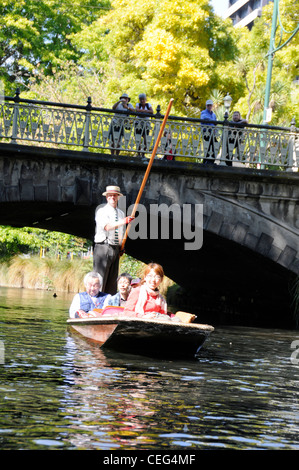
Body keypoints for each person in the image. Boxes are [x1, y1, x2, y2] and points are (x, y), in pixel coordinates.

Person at [93, 185, 134, 295]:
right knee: (100, 279)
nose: (112, 197)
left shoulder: (120, 213)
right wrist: (124, 221)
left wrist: (121, 246)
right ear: (106, 197)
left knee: (112, 281)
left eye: (114, 195)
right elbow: (107, 227)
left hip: (115, 249)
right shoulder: (102, 211)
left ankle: (108, 304)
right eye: (110, 195)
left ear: (118, 197)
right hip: (103, 248)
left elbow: (120, 231)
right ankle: (96, 302)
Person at [135, 93, 153, 157]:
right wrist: (146, 111)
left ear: (145, 99)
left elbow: (152, 111)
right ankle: (139, 153)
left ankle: (143, 154)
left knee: (146, 139)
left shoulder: (148, 105)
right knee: (138, 139)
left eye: (143, 99)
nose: (142, 101)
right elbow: (137, 110)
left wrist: (142, 111)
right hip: (138, 123)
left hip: (146, 124)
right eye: (141, 99)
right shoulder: (138, 104)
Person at [200, 99, 217, 164]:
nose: (209, 107)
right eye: (208, 105)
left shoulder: (213, 115)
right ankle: (207, 161)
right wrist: (213, 121)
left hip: (212, 132)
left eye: (210, 105)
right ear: (206, 106)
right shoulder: (203, 112)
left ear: (212, 106)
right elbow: (204, 118)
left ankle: (210, 161)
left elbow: (215, 123)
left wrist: (215, 130)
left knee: (215, 145)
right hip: (206, 132)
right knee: (209, 146)